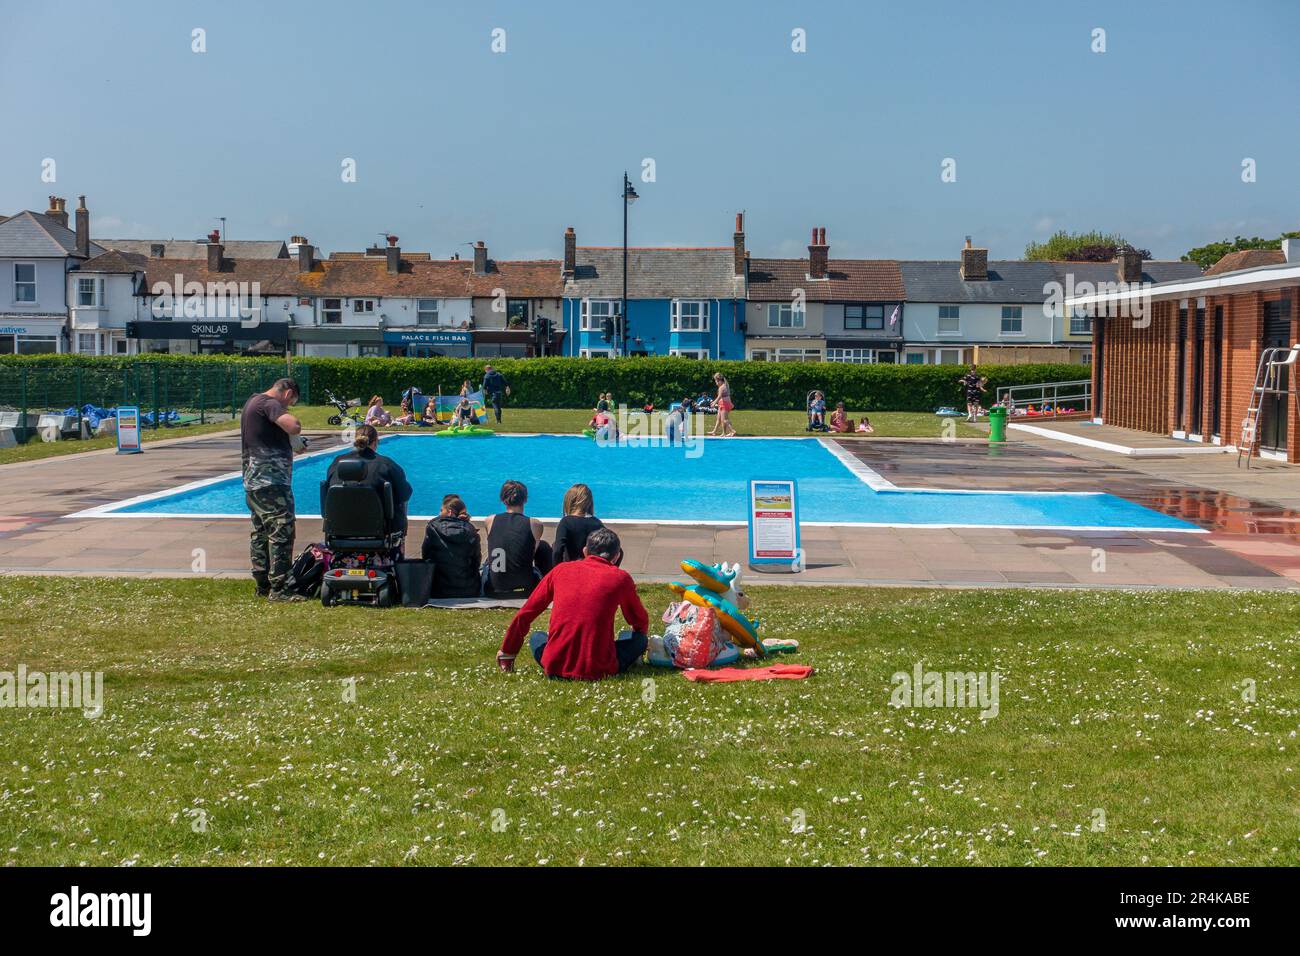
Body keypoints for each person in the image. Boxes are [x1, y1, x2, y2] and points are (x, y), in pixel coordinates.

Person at [496, 527, 649, 680]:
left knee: (537, 637)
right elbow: (639, 620)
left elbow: (526, 614)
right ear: (616, 557)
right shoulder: (620, 578)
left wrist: (508, 650)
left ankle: (513, 657)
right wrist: (637, 634)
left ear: (585, 551)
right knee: (639, 639)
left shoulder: (560, 570)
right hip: (598, 668)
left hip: (555, 666)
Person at [241, 378, 304, 601]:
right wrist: (294, 431)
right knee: (281, 532)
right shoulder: (269, 403)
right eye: (291, 403)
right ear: (287, 394)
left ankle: (262, 585)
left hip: (253, 480)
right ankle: (281, 588)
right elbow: (293, 425)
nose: (288, 407)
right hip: (271, 481)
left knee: (260, 533)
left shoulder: (251, 402)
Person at [324, 423, 413, 536]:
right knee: (402, 502)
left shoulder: (337, 462)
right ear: (376, 442)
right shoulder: (386, 465)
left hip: (338, 529)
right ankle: (398, 549)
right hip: (380, 530)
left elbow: (327, 492)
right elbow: (405, 494)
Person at [482, 480, 552, 595]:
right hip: (525, 588)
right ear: (525, 499)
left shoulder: (490, 520)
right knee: (543, 546)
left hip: (494, 589)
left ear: (503, 499)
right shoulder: (535, 524)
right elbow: (530, 553)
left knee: (487, 562)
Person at [421, 494, 482, 598]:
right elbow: (476, 561)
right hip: (469, 590)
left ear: (449, 512)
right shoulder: (471, 530)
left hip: (438, 590)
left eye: (441, 510)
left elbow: (426, 556)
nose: (439, 514)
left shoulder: (433, 527)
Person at [553, 483, 604, 563]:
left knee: (553, 545)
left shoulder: (566, 522)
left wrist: (557, 570)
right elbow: (616, 550)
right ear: (590, 503)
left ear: (569, 501)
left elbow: (557, 551)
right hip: (592, 570)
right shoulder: (597, 523)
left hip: (571, 570)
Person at [710, 372, 736, 437]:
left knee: (724, 420)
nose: (716, 383)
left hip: (725, 404)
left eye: (716, 381)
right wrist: (714, 402)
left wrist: (714, 403)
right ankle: (724, 433)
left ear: (719, 381)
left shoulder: (722, 387)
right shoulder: (724, 385)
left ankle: (732, 431)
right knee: (721, 419)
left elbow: (719, 396)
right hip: (723, 403)